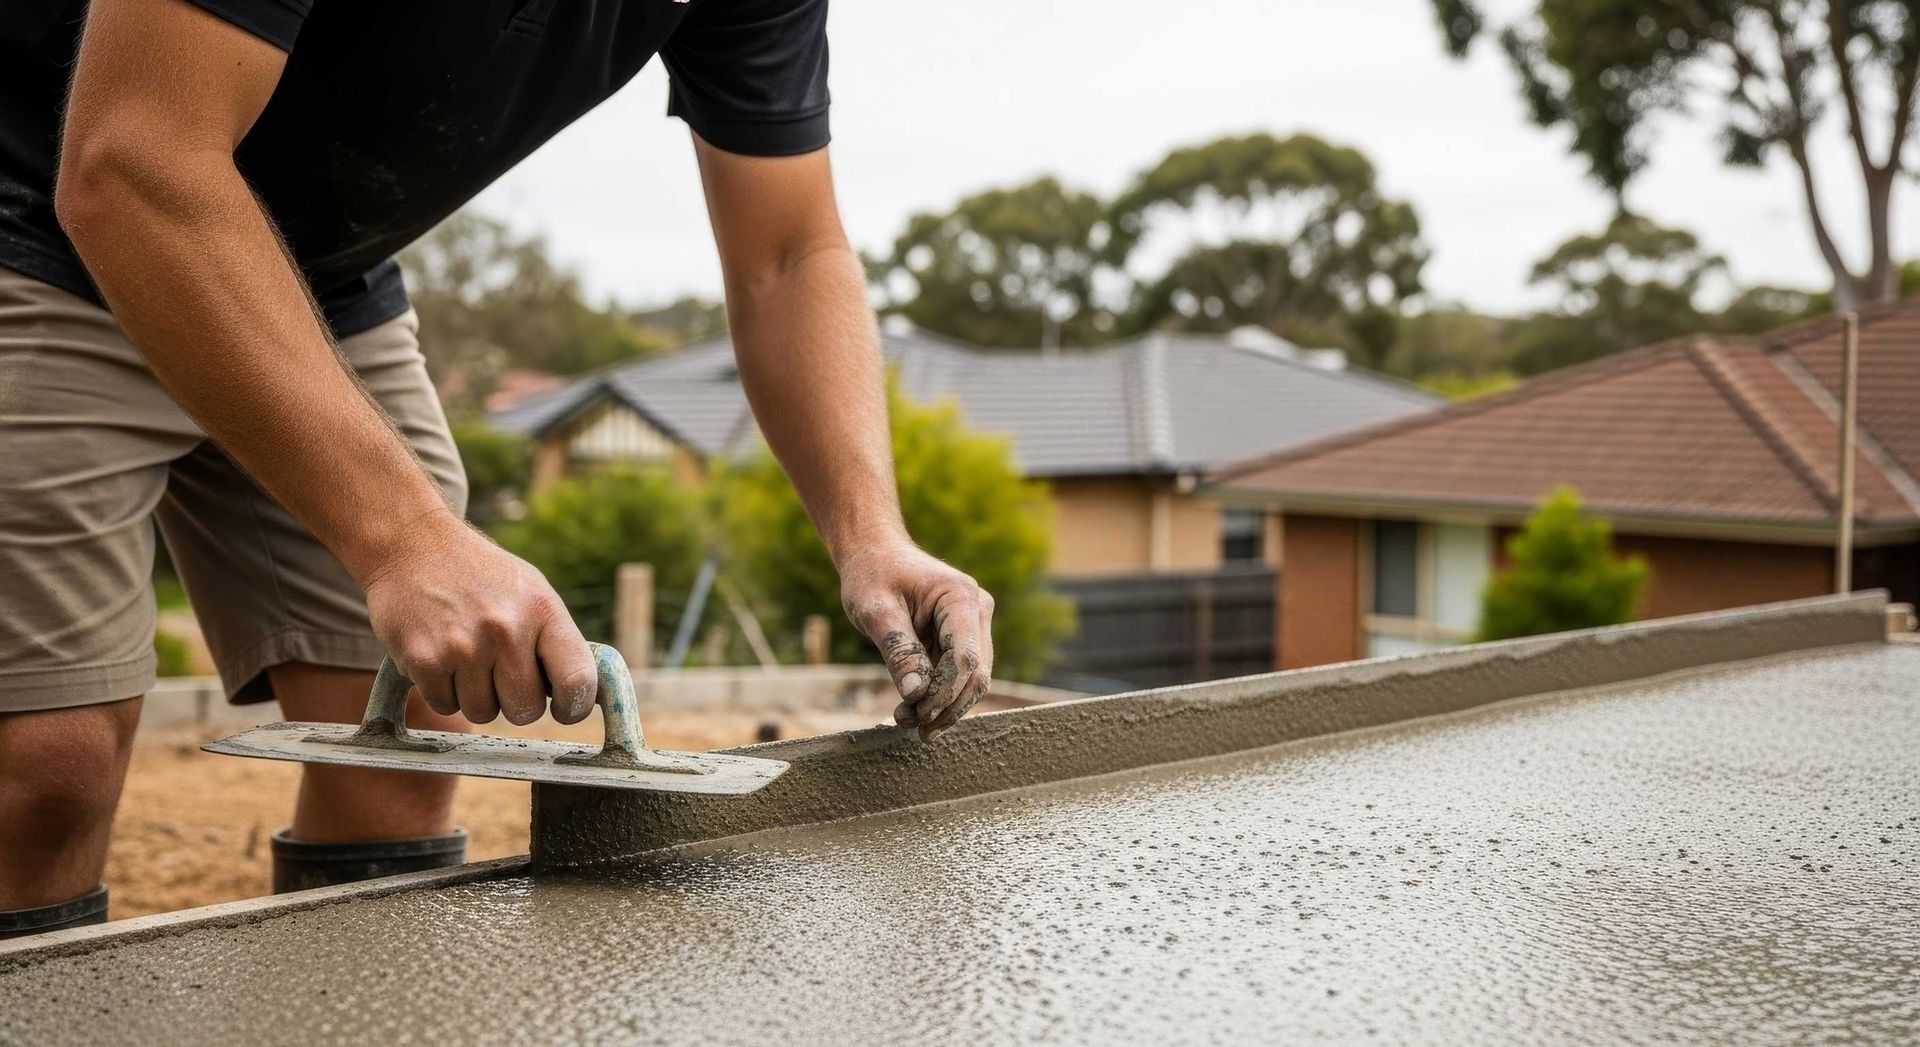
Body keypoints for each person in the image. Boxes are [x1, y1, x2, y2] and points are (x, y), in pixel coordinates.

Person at [0, 0, 994, 939]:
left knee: (420, 717)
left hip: (315, 278)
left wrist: (871, 534)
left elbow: (786, 252)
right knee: (48, 765)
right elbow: (132, 161)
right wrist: (405, 540)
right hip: (45, 210)